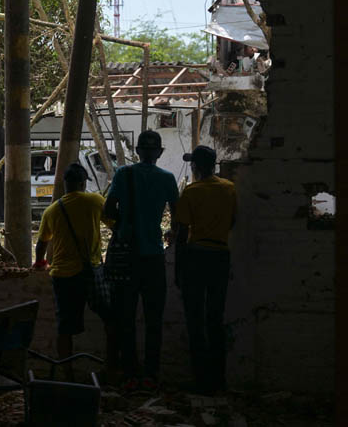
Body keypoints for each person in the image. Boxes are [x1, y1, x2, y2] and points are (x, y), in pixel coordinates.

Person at [104, 130, 178, 389]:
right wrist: (169, 233)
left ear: (137, 151)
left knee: (125, 317)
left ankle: (130, 374)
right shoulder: (167, 179)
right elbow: (178, 219)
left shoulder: (124, 174)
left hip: (127, 257)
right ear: (159, 153)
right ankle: (151, 374)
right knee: (153, 319)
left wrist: (121, 230)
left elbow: (107, 211)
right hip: (154, 257)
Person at [33, 163, 117, 379]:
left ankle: (67, 373)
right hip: (92, 272)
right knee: (110, 318)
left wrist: (40, 263)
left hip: (62, 276)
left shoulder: (52, 210)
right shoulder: (95, 201)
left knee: (65, 328)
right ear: (82, 183)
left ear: (65, 185)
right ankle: (111, 366)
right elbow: (116, 225)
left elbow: (41, 244)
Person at [172, 145, 237, 393]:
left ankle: (201, 381)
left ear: (196, 167)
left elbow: (182, 234)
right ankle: (218, 380)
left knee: (195, 319)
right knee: (215, 318)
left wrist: (179, 269)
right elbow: (233, 220)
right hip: (221, 255)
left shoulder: (191, 192)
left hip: (196, 257)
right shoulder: (229, 188)